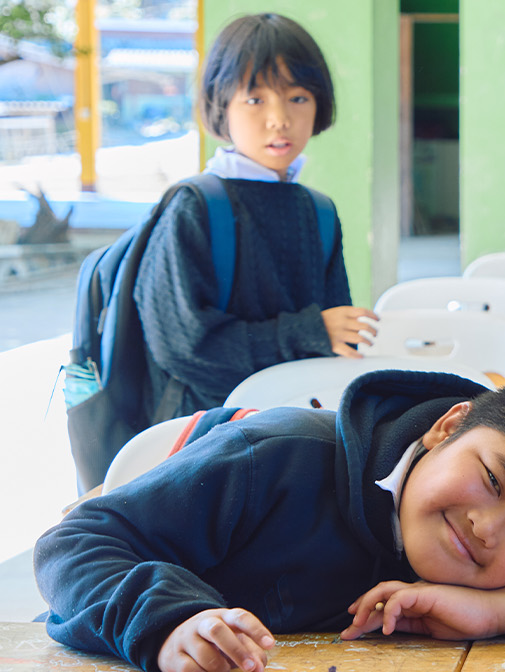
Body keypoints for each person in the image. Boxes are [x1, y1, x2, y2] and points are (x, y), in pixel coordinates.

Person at [35, 371, 505, 672]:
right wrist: (171, 624)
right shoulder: (274, 459)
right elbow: (74, 543)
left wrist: (493, 610)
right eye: (490, 479)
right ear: (447, 426)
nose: (487, 530)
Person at [136, 14, 377, 420]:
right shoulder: (194, 206)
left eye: (298, 97)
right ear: (220, 104)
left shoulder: (318, 211)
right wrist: (310, 332)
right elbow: (184, 347)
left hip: (295, 421)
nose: (279, 118)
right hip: (208, 433)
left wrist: (336, 334)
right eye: (255, 99)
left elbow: (336, 339)